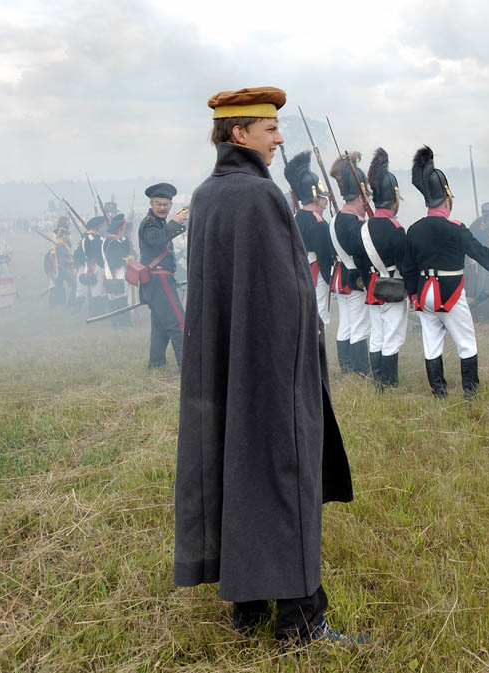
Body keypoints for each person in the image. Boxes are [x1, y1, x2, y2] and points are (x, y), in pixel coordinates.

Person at [175, 86, 354, 648]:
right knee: (284, 474)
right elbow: (289, 298)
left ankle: (248, 606)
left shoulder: (205, 196)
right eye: (270, 129)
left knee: (237, 468)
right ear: (239, 134)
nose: (279, 139)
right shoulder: (261, 196)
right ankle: (302, 621)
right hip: (272, 368)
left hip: (225, 368)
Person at [405, 146, 489, 398]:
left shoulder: (414, 229)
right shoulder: (456, 228)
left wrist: (414, 295)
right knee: (467, 343)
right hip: (450, 293)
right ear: (447, 200)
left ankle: (439, 392)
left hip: (423, 293)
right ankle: (471, 393)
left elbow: (409, 266)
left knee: (431, 343)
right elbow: (481, 255)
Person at [349, 148, 412, 388]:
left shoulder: (363, 228)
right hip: (394, 288)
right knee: (392, 337)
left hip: (373, 289)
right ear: (394, 198)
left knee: (376, 335)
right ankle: (389, 382)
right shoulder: (396, 230)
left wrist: (370, 279)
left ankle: (378, 381)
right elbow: (405, 264)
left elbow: (359, 260)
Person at [327, 152, 373, 376]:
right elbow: (361, 254)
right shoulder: (354, 222)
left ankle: (346, 367)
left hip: (342, 276)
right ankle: (360, 371)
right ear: (360, 193)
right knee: (359, 327)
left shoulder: (337, 218)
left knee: (346, 324)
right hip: (356, 279)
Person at [284, 151, 335, 350]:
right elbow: (324, 258)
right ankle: (316, 353)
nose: (325, 199)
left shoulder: (298, 217)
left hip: (301, 271)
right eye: (322, 196)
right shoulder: (319, 224)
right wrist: (330, 279)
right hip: (316, 272)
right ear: (314, 195)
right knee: (321, 315)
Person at [138, 183, 186, 370]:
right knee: (178, 323)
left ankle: (156, 365)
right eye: (158, 204)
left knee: (160, 326)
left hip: (159, 280)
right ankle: (187, 368)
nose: (162, 208)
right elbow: (157, 239)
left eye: (166, 204)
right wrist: (175, 223)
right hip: (159, 279)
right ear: (151, 204)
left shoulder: (160, 223)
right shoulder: (149, 223)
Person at [101, 213, 133, 328]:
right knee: (121, 298)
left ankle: (116, 324)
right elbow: (116, 260)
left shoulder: (108, 241)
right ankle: (124, 323)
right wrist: (127, 260)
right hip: (116, 273)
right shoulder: (114, 242)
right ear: (120, 228)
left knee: (114, 299)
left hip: (110, 272)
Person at [74, 216, 110, 318]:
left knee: (96, 291)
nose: (103, 227)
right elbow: (97, 253)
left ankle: (97, 313)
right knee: (97, 292)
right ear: (98, 226)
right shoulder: (94, 239)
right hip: (95, 267)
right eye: (102, 225)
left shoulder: (89, 238)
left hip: (92, 266)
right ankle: (97, 314)